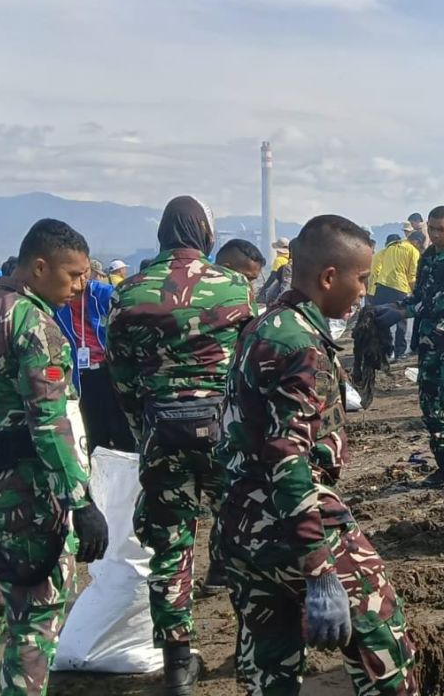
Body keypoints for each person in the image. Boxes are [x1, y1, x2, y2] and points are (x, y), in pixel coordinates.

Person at [219, 215, 419, 696]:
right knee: (385, 650)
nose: (365, 292)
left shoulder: (266, 326)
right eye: (363, 280)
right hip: (296, 523)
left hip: (244, 529)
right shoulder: (300, 345)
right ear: (330, 277)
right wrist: (317, 564)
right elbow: (288, 454)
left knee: (269, 666)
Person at [106, 196, 254, 695]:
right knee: (238, 534)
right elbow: (250, 361)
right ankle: (249, 645)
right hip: (221, 432)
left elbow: (121, 377)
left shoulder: (129, 293)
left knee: (169, 545)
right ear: (204, 233)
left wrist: (141, 428)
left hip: (160, 431)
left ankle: (176, 665)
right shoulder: (232, 285)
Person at [0, 219, 109, 696]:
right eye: (73, 275)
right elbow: (50, 423)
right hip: (26, 494)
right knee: (35, 618)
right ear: (38, 267)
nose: (81, 286)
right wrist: (80, 502)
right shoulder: (33, 324)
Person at [389, 206, 444, 488]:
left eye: (442, 229)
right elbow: (420, 295)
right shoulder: (426, 259)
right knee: (429, 400)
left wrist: (404, 313)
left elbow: (442, 299)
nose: (436, 234)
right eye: (432, 229)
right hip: (428, 336)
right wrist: (395, 307)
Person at [52, 273, 136, 453]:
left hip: (109, 370)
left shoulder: (105, 294)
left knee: (122, 430)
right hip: (80, 376)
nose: (81, 278)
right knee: (92, 433)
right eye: (74, 273)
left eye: (84, 272)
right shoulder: (57, 300)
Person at [370, 233, 420, 359]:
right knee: (400, 320)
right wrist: (416, 292)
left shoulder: (386, 250)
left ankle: (383, 352)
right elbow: (412, 274)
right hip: (399, 287)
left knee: (381, 319)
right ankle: (400, 352)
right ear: (417, 242)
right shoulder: (413, 251)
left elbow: (375, 271)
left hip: (380, 287)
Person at [259, 237, 292, 305]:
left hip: (280, 285)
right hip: (290, 285)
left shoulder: (278, 260)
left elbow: (273, 277)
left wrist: (263, 289)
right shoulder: (290, 258)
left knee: (269, 297)